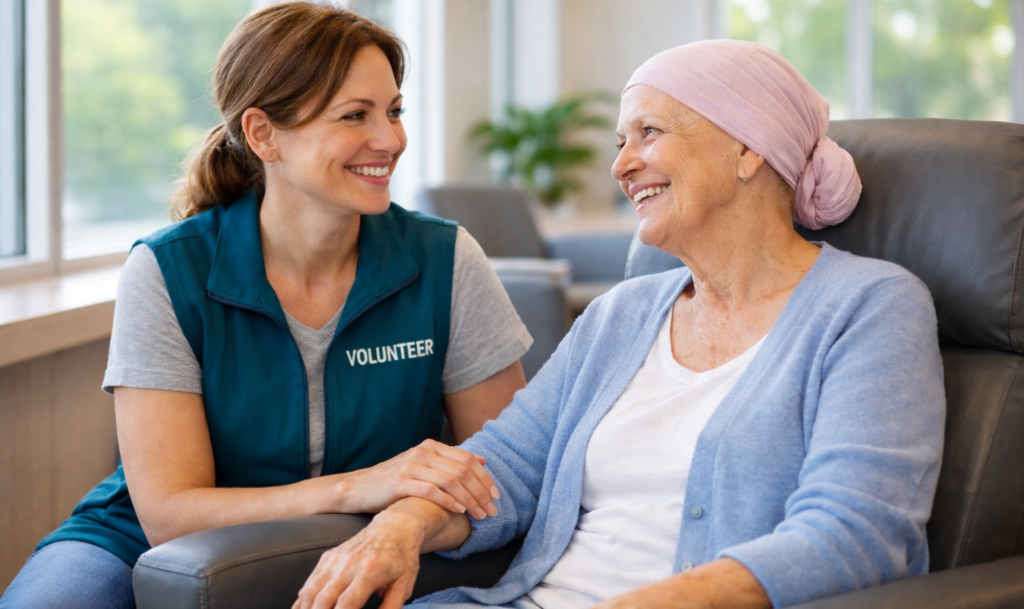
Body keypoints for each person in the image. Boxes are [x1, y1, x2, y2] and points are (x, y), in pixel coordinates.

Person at [291, 40, 946, 609]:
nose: (621, 164)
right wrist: (401, 525)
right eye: (619, 142)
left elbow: (855, 534)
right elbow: (505, 466)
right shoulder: (620, 313)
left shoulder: (870, 307)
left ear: (748, 148)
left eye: (649, 133)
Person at [0, 2, 531, 609]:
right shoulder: (168, 271)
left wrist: (395, 516)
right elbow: (170, 515)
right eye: (354, 115)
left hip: (367, 536)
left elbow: (504, 472)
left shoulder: (445, 260)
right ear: (262, 134)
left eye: (394, 111)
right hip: (140, 544)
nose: (390, 140)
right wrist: (361, 486)